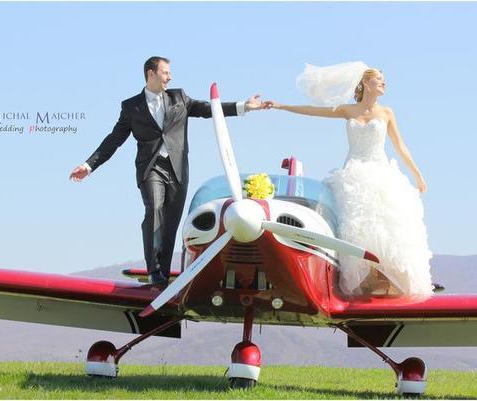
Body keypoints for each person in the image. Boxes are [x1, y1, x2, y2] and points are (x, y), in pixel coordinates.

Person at [70, 56, 267, 285]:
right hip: (151, 168)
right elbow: (114, 139)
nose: (170, 77)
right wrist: (89, 165)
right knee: (154, 209)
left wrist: (244, 106)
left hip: (177, 169)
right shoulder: (131, 107)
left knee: (171, 223)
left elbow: (207, 109)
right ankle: (154, 271)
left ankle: (162, 276)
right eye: (165, 72)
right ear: (151, 74)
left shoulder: (179, 97)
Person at [265, 61, 433, 296]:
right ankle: (361, 280)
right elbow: (314, 111)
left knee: (383, 225)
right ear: (365, 82)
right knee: (355, 225)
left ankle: (383, 279)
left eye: (383, 79)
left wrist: (417, 174)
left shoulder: (386, 113)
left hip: (379, 171)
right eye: (379, 79)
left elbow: (400, 146)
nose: (383, 82)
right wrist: (282, 106)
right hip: (353, 173)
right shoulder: (348, 111)